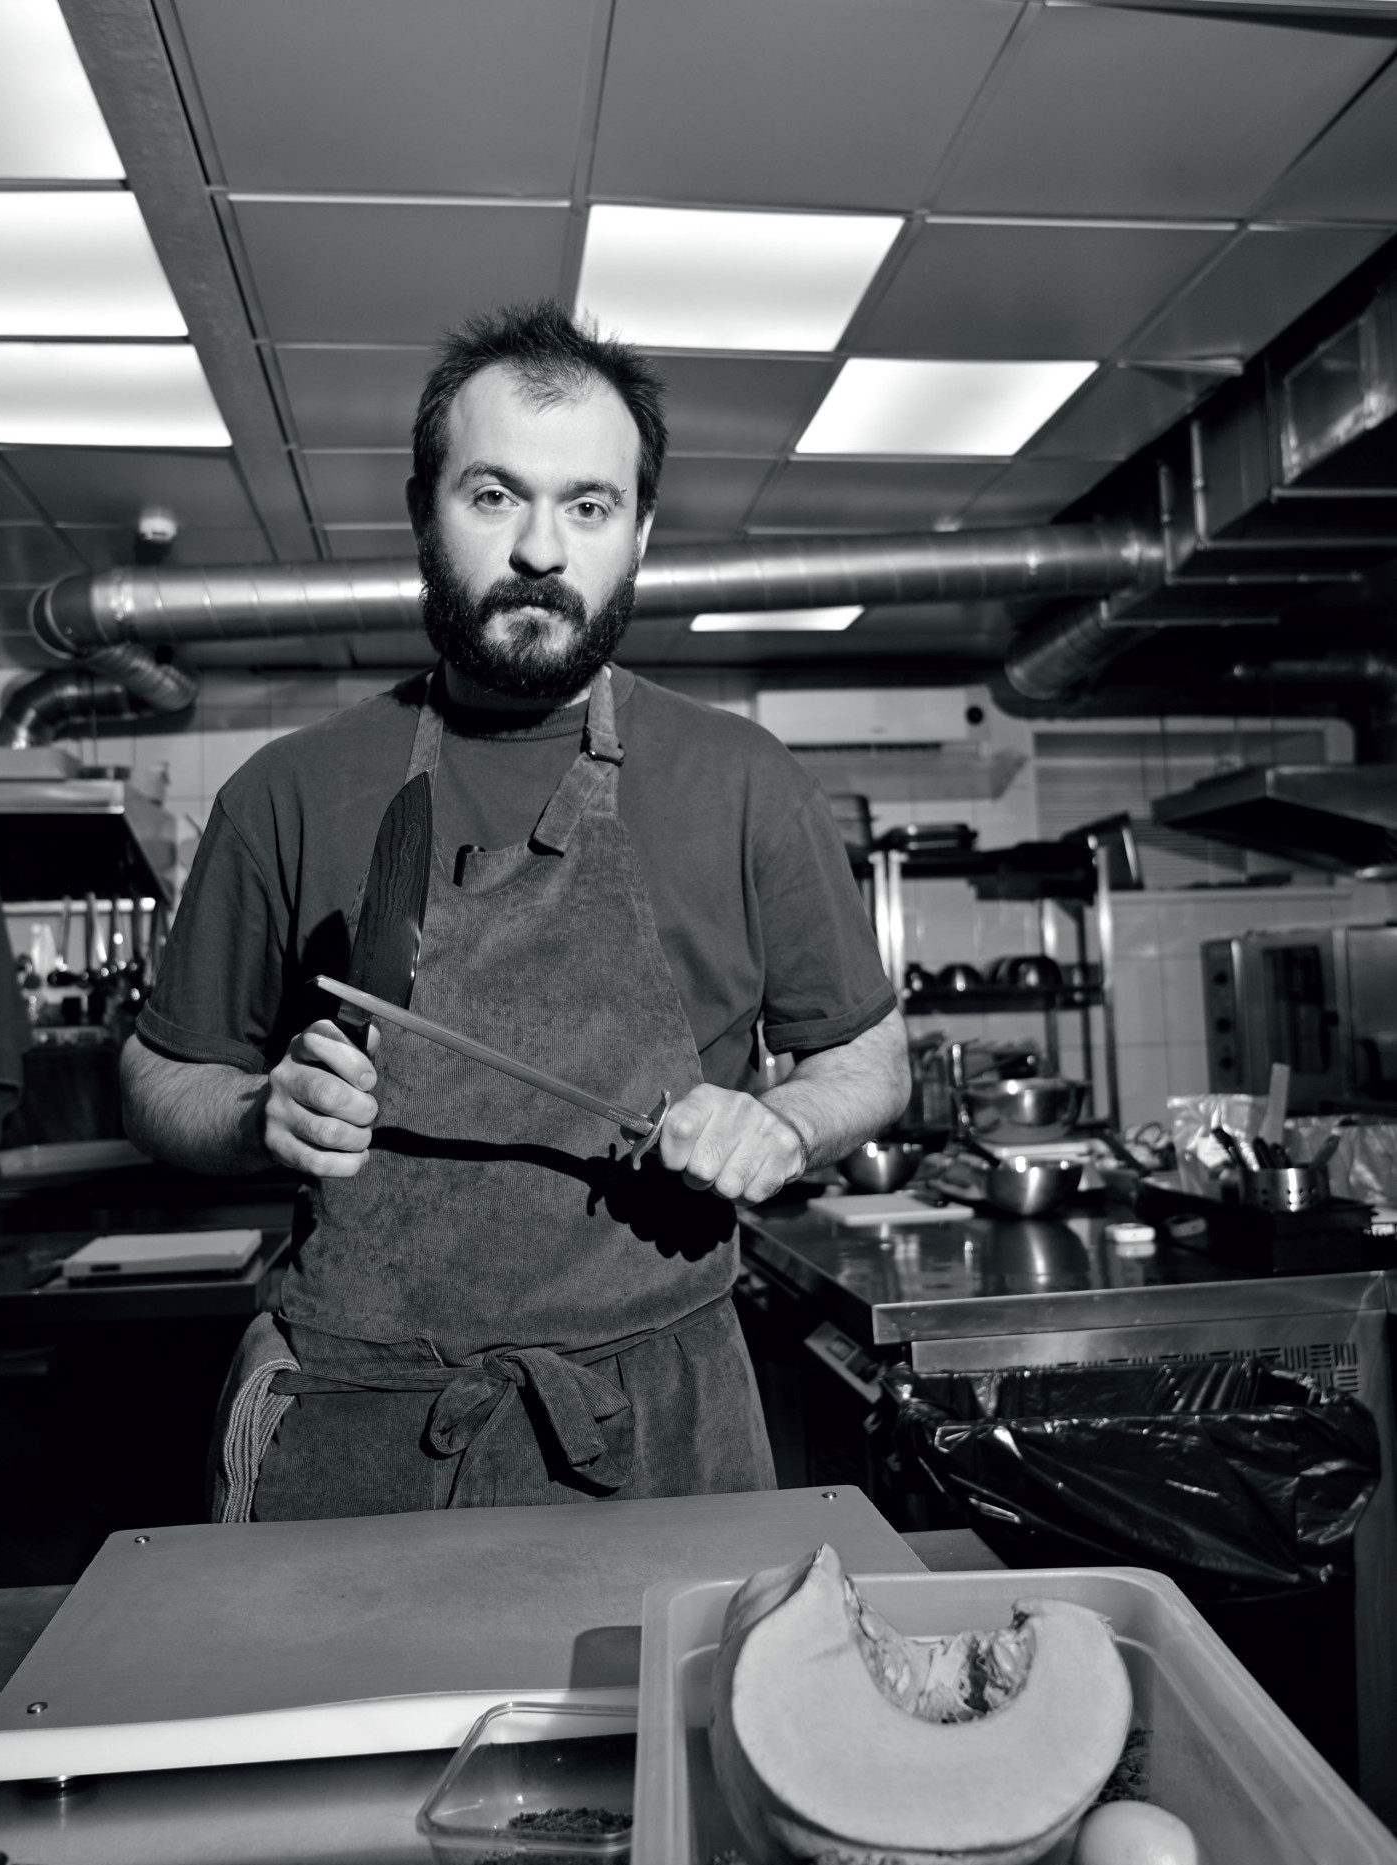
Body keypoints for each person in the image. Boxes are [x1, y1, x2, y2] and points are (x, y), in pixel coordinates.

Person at [121, 299, 909, 1521]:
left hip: (660, 1428)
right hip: (355, 1426)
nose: (541, 548)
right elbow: (155, 1078)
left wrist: (785, 1125)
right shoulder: (288, 791)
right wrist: (255, 1111)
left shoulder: (742, 782)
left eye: (587, 505)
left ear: (638, 531)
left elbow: (866, 1059)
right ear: (423, 511)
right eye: (493, 496)